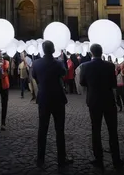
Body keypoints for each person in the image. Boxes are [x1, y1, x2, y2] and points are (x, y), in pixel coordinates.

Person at [80, 44, 124, 171]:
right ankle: (116, 160)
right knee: (112, 131)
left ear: (91, 53)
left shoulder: (85, 66)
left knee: (96, 130)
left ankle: (98, 160)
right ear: (101, 52)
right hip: (108, 100)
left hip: (94, 101)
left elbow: (82, 82)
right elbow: (114, 84)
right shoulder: (109, 66)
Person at [32, 41, 72, 169]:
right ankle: (61, 159)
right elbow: (64, 73)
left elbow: (34, 76)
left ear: (43, 50)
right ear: (53, 49)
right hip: (57, 98)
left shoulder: (36, 63)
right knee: (59, 130)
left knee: (42, 129)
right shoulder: (58, 64)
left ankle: (40, 159)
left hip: (43, 98)